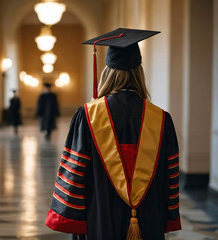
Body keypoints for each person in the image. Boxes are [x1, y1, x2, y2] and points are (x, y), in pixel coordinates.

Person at [45, 28, 181, 240]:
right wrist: (167, 216)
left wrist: (75, 221)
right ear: (139, 72)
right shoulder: (161, 119)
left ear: (106, 72)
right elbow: (170, 178)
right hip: (149, 220)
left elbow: (74, 175)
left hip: (99, 219)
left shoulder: (88, 116)